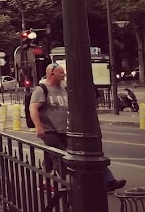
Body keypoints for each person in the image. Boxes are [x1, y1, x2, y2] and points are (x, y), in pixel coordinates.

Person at [29, 63, 126, 192]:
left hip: (67, 129)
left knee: (69, 154)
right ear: (52, 74)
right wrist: (39, 127)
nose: (64, 75)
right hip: (50, 130)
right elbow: (33, 107)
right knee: (61, 156)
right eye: (61, 73)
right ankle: (73, 184)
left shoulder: (64, 88)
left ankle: (108, 181)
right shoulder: (41, 89)